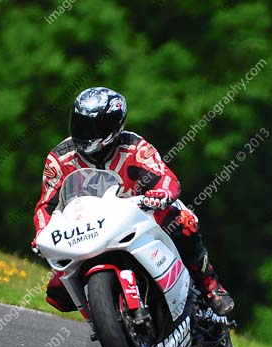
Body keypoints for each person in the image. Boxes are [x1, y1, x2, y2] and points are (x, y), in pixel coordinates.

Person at [31, 87, 234, 315]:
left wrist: (161, 194)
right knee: (58, 294)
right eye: (80, 123)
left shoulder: (135, 147)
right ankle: (108, 315)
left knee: (182, 222)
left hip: (138, 215)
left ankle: (210, 285)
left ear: (114, 125)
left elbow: (166, 177)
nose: (86, 133)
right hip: (88, 227)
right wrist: (42, 234)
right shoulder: (59, 158)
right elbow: (46, 204)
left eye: (95, 127)